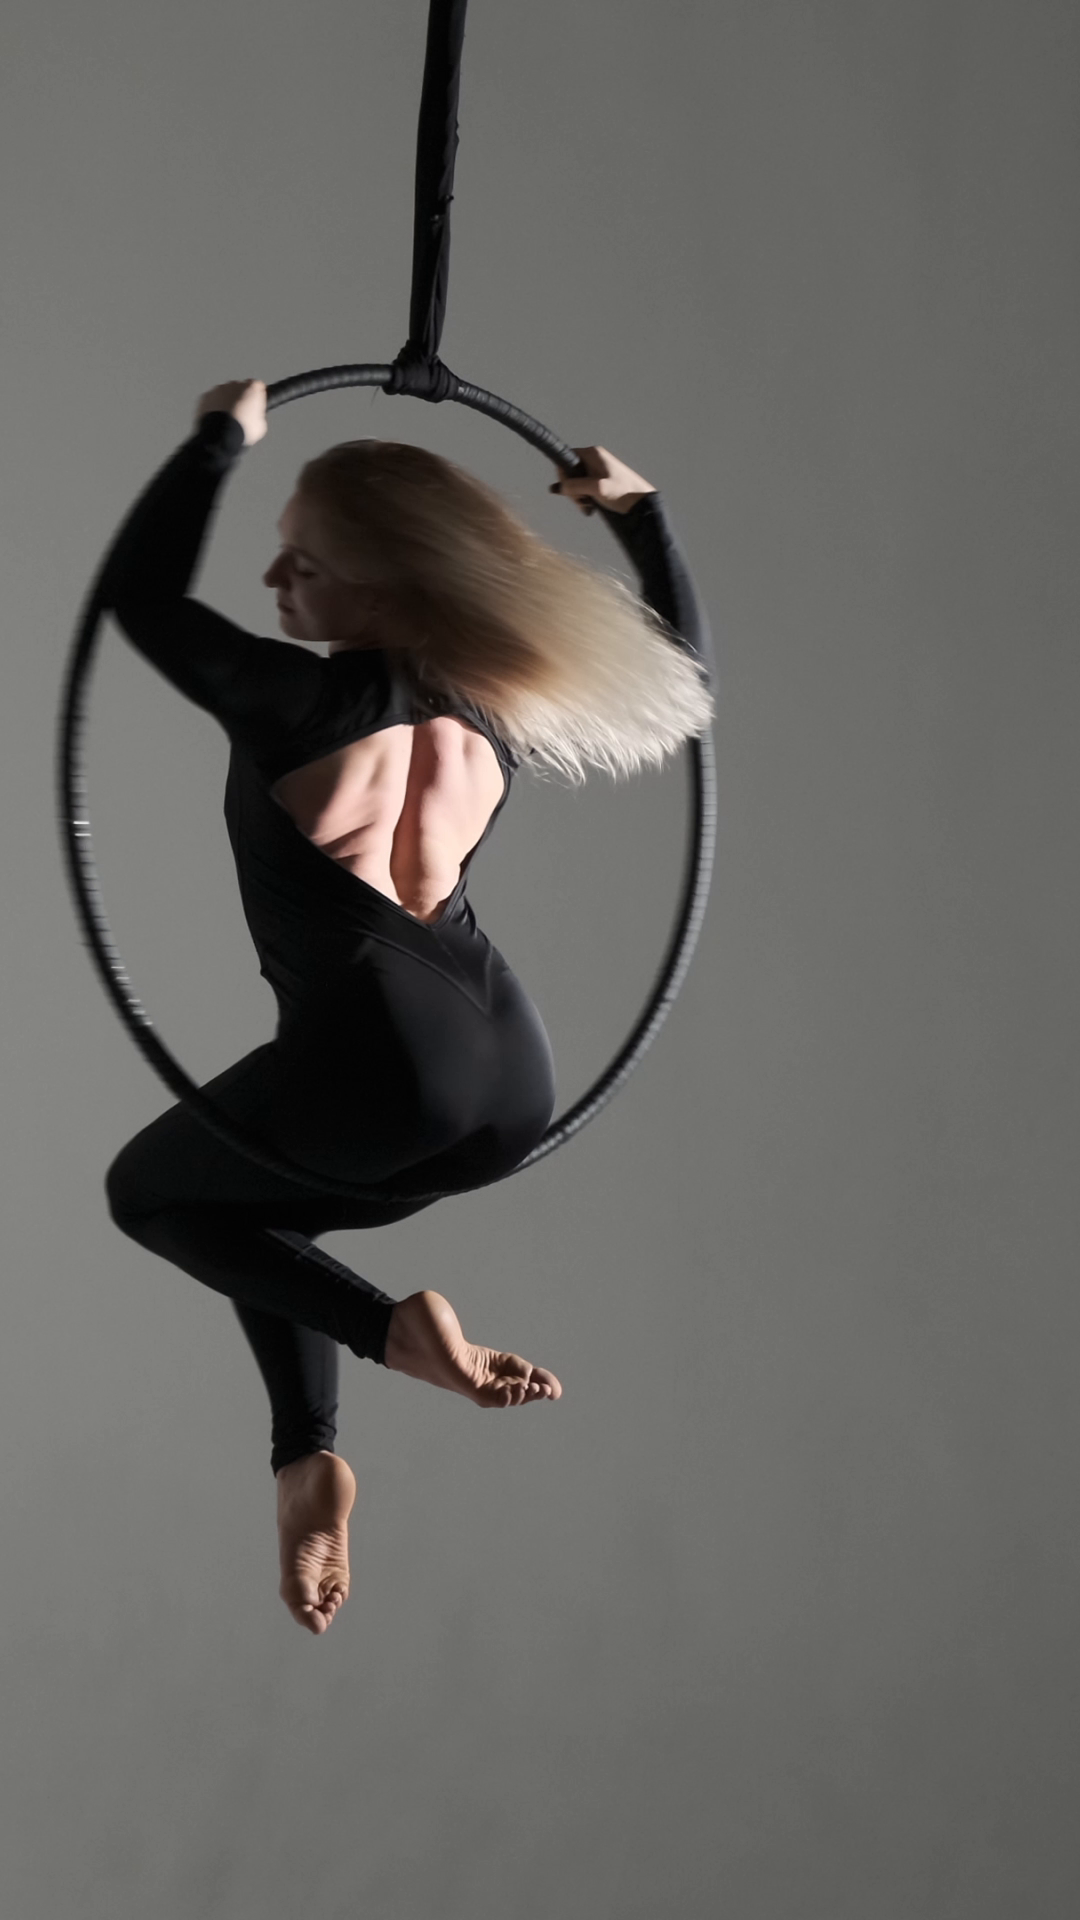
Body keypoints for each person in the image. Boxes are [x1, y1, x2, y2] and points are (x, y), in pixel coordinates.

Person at [101, 378, 715, 1633]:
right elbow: (680, 663)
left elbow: (141, 600)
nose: (273, 580)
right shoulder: (492, 697)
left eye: (306, 563)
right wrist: (642, 515)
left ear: (386, 588)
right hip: (509, 1082)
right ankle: (306, 1462)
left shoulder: (299, 703)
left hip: (377, 1068)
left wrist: (218, 440)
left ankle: (395, 1337)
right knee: (250, 1210)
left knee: (151, 1193)